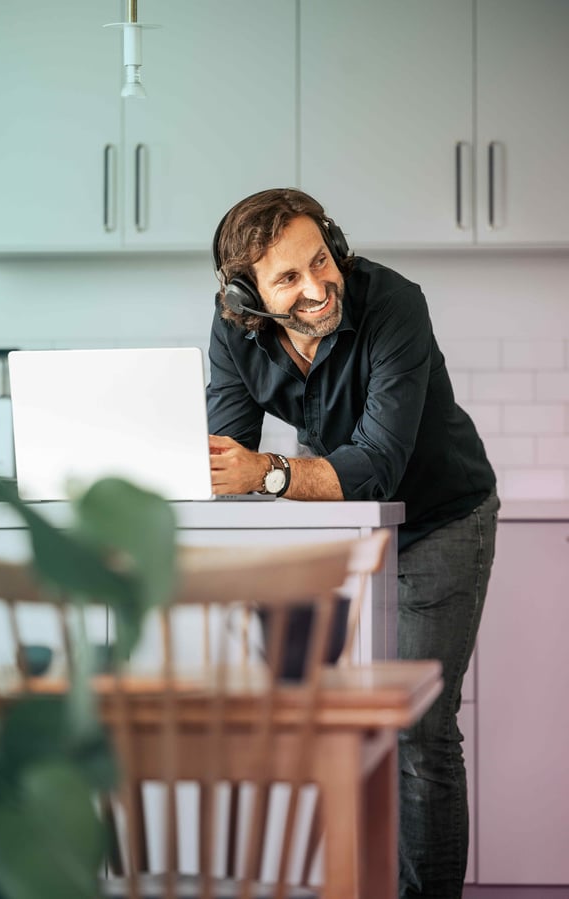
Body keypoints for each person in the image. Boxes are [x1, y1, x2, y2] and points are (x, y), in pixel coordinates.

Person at [206, 188, 499, 898]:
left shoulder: (394, 304)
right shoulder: (236, 332)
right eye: (289, 278)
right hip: (338, 524)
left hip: (439, 515)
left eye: (321, 259)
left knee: (416, 728)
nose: (317, 285)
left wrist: (266, 474)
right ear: (249, 293)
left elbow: (375, 468)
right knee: (326, 722)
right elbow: (226, 459)